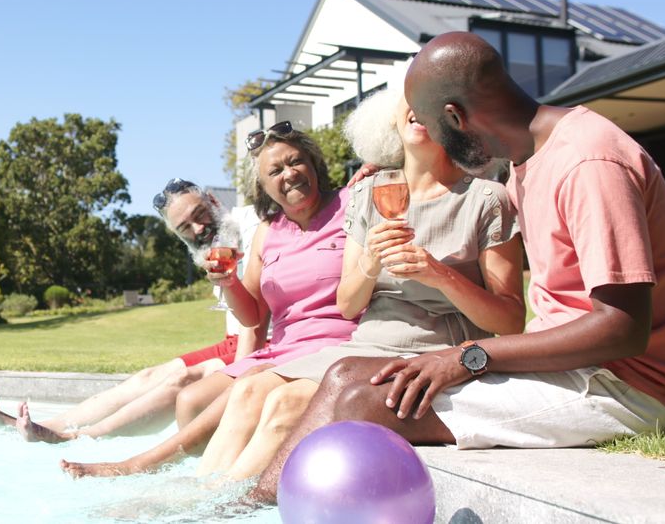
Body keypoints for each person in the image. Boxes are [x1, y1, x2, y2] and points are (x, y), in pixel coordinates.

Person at [248, 31, 665, 503]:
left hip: (624, 385)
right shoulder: (528, 159)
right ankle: (250, 508)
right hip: (569, 365)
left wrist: (467, 356)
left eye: (432, 126)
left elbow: (624, 328)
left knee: (364, 405)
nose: (430, 139)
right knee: (344, 374)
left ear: (455, 116)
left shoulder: (587, 163)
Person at [195, 87, 525, 481]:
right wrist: (370, 260)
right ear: (392, 119)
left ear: (451, 118)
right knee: (249, 390)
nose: (419, 109)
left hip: (437, 346)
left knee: (287, 403)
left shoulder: (486, 199)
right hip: (366, 342)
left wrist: (440, 274)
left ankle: (222, 511)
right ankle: (198, 495)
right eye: (411, 98)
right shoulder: (371, 192)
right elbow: (349, 306)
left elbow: (510, 323)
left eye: (429, 99)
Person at [61, 122, 359, 477]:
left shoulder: (350, 204)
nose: (290, 174)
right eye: (275, 171)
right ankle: (201, 472)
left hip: (332, 342)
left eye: (296, 162)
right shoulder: (269, 230)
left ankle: (142, 465)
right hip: (283, 345)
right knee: (189, 401)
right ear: (265, 186)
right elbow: (253, 314)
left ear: (313, 163)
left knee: (235, 390)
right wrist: (230, 282)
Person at [0, 179, 263, 442]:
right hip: (234, 339)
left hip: (262, 340)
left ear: (213, 201)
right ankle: (48, 426)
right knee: (148, 377)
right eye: (184, 228)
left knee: (181, 380)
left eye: (200, 214)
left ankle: (73, 438)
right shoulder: (212, 246)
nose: (198, 229)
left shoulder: (252, 223)